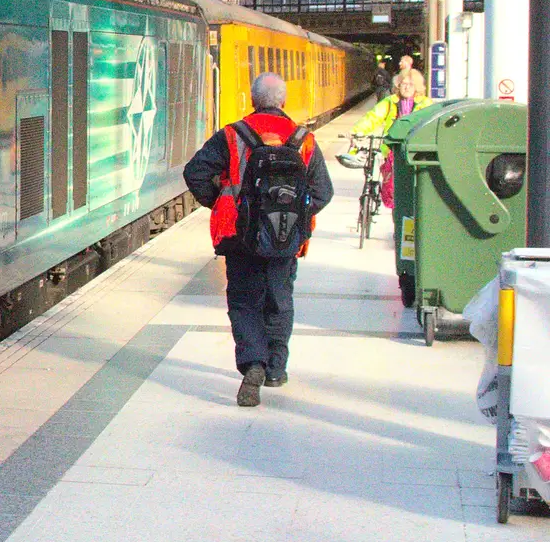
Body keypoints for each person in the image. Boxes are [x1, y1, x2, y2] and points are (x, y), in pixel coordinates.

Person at [184, 72, 334, 407]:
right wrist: (295, 217)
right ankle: (276, 370)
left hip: (240, 235)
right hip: (285, 238)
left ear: (252, 100)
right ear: (283, 102)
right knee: (280, 298)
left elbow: (194, 172)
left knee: (243, 300)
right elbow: (324, 192)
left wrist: (222, 201)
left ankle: (253, 363)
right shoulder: (304, 139)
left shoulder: (232, 135)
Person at [353, 67, 432, 208]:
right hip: (392, 151)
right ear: (398, 85)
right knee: (392, 191)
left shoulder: (425, 104)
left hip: (415, 153)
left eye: (411, 84)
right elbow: (373, 117)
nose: (407, 87)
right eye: (403, 84)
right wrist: (358, 131)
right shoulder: (390, 102)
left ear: (417, 87)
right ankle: (397, 215)